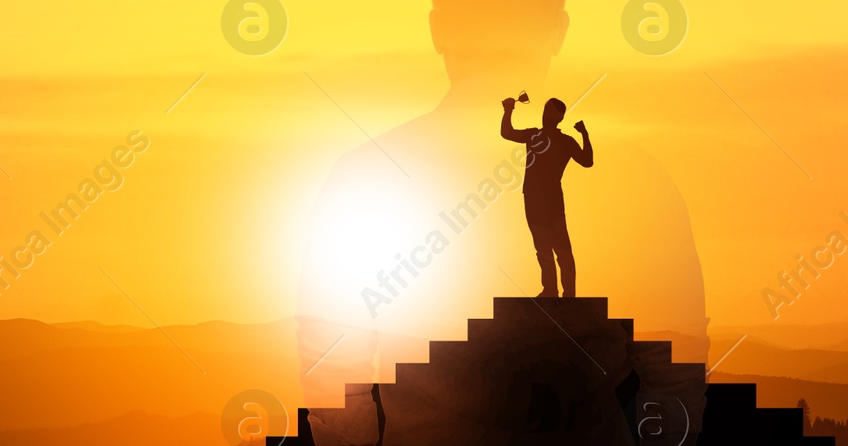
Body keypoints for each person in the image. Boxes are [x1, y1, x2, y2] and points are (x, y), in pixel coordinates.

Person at [295, 0, 709, 443]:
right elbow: (674, 367)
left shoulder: (367, 172)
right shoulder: (637, 176)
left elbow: (333, 360)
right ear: (559, 31)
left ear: (436, 30)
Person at [499, 97, 594, 298]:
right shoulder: (539, 136)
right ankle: (551, 289)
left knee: (560, 249)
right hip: (535, 199)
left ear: (558, 117)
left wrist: (585, 134)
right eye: (544, 110)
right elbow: (506, 133)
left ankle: (566, 292)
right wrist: (508, 110)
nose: (544, 114)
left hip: (546, 200)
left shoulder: (557, 140)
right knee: (544, 247)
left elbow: (587, 161)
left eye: (548, 111)